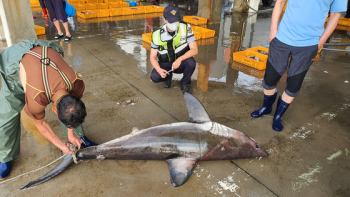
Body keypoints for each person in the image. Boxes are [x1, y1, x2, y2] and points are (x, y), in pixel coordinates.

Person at [0, 40, 97, 180]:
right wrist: (60, 145)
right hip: (14, 62)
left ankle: (78, 136)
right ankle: (5, 156)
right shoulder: (37, 97)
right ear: (54, 111)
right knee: (7, 112)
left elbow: (73, 110)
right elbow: (40, 123)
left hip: (47, 48)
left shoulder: (77, 83)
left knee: (72, 112)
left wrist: (71, 134)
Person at [251, 0, 347, 131]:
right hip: (282, 39)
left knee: (294, 84)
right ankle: (266, 107)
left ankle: (278, 116)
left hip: (309, 44)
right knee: (269, 79)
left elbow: (336, 15)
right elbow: (280, 2)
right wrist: (273, 30)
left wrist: (321, 42)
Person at [150, 5, 198, 94]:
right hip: (166, 64)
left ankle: (185, 83)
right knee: (155, 77)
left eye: (176, 21)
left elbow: (194, 49)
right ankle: (167, 77)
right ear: (164, 20)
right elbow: (152, 57)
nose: (174, 24)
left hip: (180, 64)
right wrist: (159, 70)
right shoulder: (156, 34)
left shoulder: (185, 27)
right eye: (171, 21)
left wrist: (180, 59)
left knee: (191, 63)